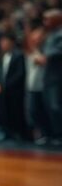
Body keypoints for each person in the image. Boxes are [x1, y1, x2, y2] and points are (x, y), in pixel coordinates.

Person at [0, 33, 27, 141]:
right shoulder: (2, 56)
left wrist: (5, 85)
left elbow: (20, 74)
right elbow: (0, 73)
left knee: (16, 112)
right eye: (1, 42)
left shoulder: (18, 55)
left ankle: (19, 134)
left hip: (15, 91)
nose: (2, 44)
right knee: (5, 112)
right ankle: (8, 132)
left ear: (11, 42)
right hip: (4, 91)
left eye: (5, 41)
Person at [37, 9, 62, 145]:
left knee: (55, 106)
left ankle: (59, 135)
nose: (44, 22)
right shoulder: (50, 35)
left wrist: (46, 57)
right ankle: (52, 135)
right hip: (48, 76)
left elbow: (57, 52)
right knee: (47, 106)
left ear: (57, 19)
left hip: (57, 77)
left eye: (47, 19)